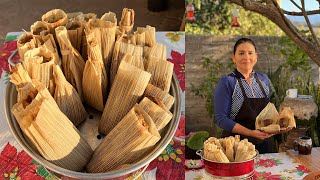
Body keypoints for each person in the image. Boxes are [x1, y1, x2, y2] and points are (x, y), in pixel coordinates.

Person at [214, 38, 275, 154]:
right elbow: (221, 119)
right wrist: (251, 133)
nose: (246, 57)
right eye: (241, 53)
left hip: (264, 144)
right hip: (235, 146)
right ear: (234, 57)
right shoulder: (227, 82)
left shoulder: (264, 80)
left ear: (256, 57)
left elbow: (268, 112)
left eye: (250, 53)